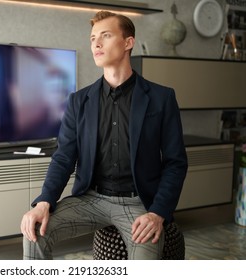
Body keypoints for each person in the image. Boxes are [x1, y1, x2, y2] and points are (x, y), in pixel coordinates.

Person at [20, 10, 188, 260]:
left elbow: (175, 162)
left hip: (138, 202)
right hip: (91, 199)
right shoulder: (79, 101)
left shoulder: (162, 98)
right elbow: (64, 158)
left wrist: (157, 213)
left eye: (106, 36)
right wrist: (44, 201)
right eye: (92, 38)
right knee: (34, 231)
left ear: (128, 42)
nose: (96, 43)